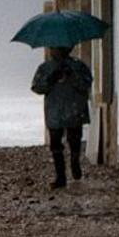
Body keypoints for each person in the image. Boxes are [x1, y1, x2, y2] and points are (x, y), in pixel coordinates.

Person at [30, 45, 92, 189]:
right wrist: (51, 79)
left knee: (74, 140)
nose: (53, 52)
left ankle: (74, 162)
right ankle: (61, 177)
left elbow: (86, 83)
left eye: (55, 49)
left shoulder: (77, 66)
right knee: (56, 145)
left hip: (73, 110)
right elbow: (37, 87)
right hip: (55, 111)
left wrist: (72, 76)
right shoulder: (46, 68)